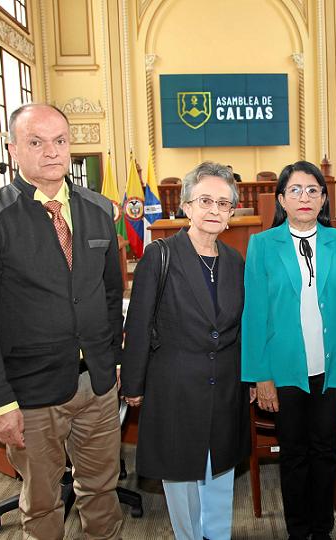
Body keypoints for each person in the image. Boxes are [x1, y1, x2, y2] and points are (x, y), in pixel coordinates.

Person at [0, 104, 124, 539]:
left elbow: (110, 294)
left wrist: (115, 360)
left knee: (103, 491)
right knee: (43, 501)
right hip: (30, 393)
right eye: (36, 142)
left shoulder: (99, 209)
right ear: (13, 149)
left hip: (97, 386)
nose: (52, 152)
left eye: (60, 141)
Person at [242, 161, 336, 540]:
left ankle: (323, 529)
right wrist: (259, 375)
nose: (304, 197)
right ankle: (298, 530)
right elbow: (254, 316)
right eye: (295, 190)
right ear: (281, 199)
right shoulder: (262, 245)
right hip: (284, 371)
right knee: (294, 455)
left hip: (331, 369)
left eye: (312, 190)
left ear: (323, 198)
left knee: (325, 451)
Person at [121, 161, 249, 540]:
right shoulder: (160, 256)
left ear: (231, 213)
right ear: (187, 206)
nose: (214, 210)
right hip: (174, 387)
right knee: (181, 479)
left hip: (225, 387)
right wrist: (133, 384)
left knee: (221, 474)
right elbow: (139, 324)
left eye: (223, 204)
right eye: (205, 200)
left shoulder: (235, 262)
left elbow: (240, 327)